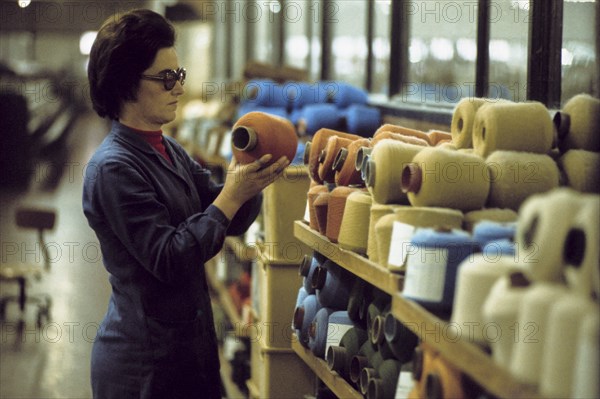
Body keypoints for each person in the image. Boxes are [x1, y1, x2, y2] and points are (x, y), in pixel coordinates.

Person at [83, 9, 289, 398]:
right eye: (166, 78)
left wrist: (252, 174)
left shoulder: (167, 149)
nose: (178, 87)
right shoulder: (113, 168)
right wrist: (231, 195)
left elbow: (226, 215)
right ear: (126, 83)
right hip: (145, 367)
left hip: (187, 354)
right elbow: (169, 257)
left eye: (178, 75)